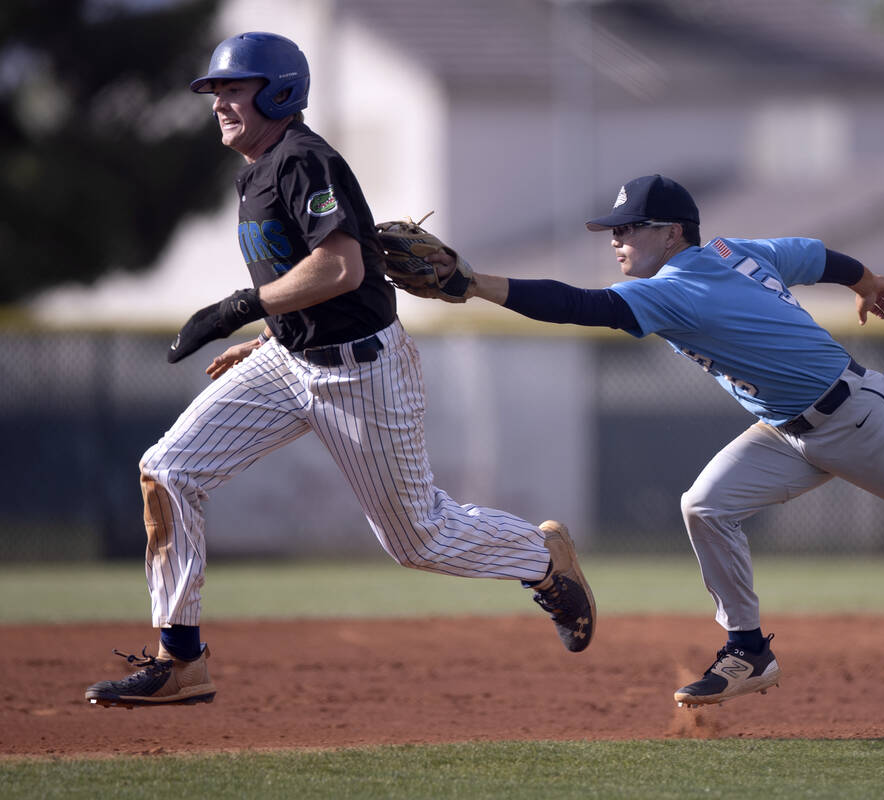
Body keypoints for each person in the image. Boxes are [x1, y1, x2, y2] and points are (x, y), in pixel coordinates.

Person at [412, 173, 884, 707]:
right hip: (786, 430)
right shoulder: (737, 251)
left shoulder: (672, 285)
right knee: (705, 505)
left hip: (861, 420)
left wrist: (474, 284)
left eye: (627, 229)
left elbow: (579, 307)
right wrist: (865, 278)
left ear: (671, 232)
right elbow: (811, 253)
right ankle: (747, 649)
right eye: (612, 232)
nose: (616, 242)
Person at [84, 32, 595, 709]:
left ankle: (541, 558)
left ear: (279, 91)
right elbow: (301, 274)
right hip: (290, 358)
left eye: (234, 89)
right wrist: (271, 332)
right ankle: (181, 659)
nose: (219, 104)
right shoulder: (256, 170)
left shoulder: (303, 159)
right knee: (169, 470)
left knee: (418, 538)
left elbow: (341, 267)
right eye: (215, 92)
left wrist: (239, 307)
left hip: (362, 371)